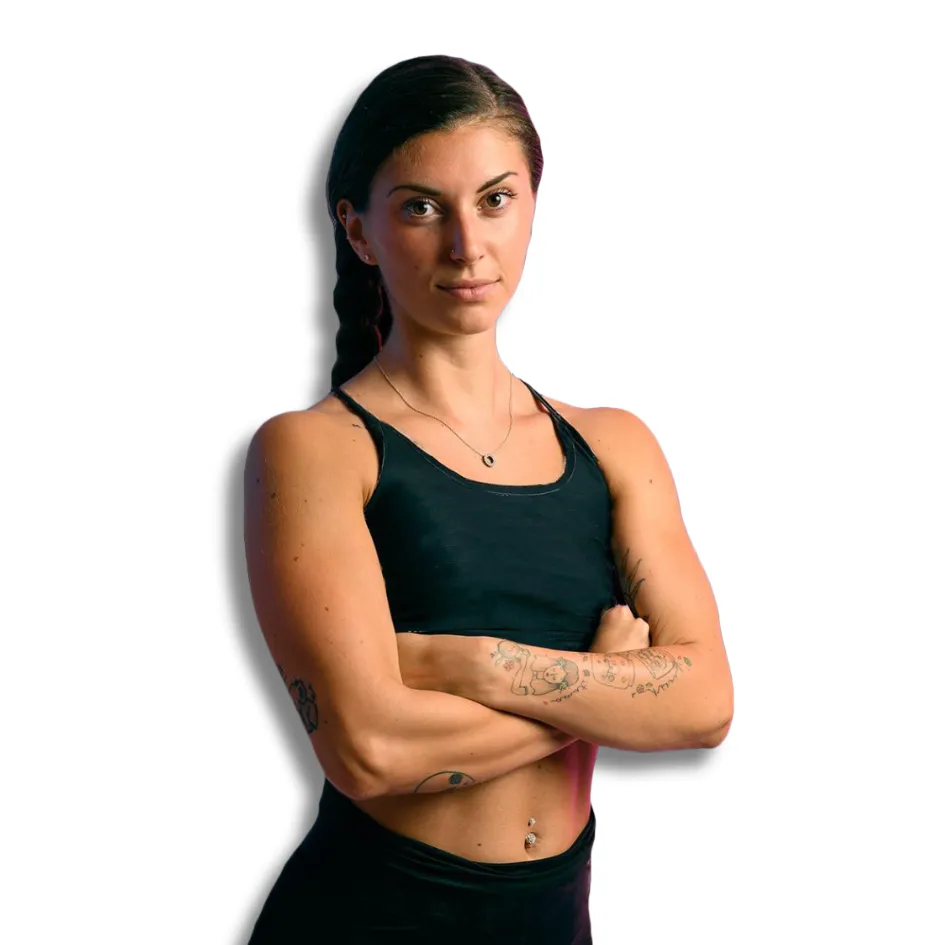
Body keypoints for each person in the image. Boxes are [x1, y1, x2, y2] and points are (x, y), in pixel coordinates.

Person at [242, 54, 734, 944]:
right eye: (420, 208)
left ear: (533, 204)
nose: (467, 246)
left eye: (495, 200)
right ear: (358, 231)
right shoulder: (314, 450)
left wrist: (478, 666)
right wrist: (603, 683)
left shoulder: (614, 444)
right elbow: (369, 752)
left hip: (553, 918)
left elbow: (703, 704)